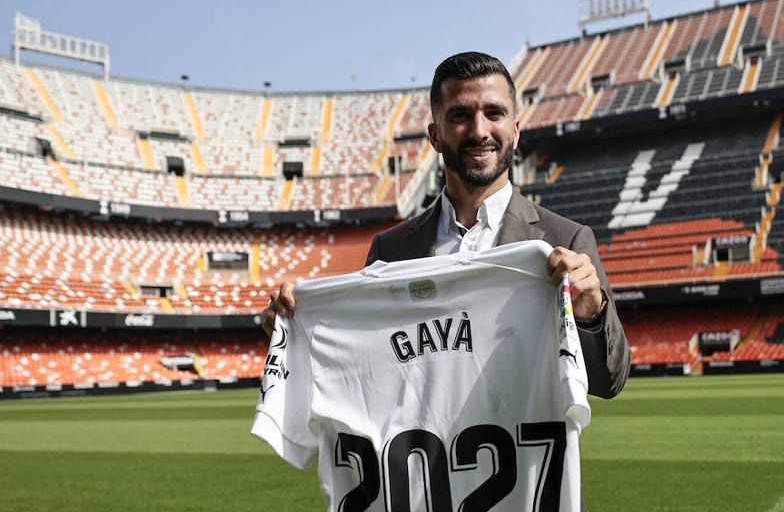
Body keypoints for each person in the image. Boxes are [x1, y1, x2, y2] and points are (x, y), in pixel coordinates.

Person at [260, 50, 630, 400]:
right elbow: (364, 372)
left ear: (515, 130)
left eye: (494, 113)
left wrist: (590, 315)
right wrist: (294, 333)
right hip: (421, 464)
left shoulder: (565, 240)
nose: (479, 130)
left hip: (525, 467)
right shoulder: (391, 251)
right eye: (460, 115)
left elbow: (608, 380)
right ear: (435, 135)